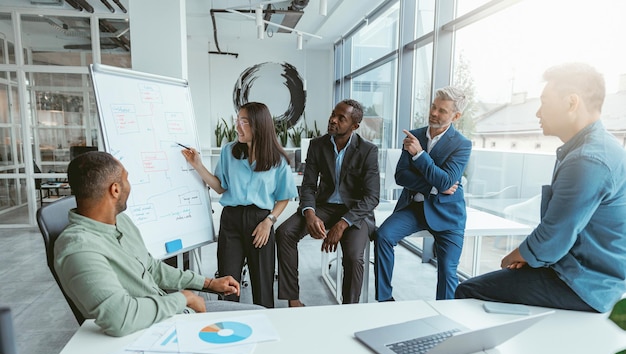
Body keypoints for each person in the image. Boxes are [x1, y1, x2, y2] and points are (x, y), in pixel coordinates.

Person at [455, 63, 626, 313]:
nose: (538, 112)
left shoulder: (588, 159)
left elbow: (553, 237)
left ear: (571, 103)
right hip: (585, 274)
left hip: (584, 284)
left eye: (544, 102)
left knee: (468, 291)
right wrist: (531, 256)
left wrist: (514, 256)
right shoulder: (597, 148)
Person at [55, 151, 260, 338]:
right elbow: (120, 317)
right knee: (259, 329)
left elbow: (151, 268)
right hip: (152, 332)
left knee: (262, 318)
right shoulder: (79, 249)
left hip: (172, 314)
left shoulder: (120, 221)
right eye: (126, 178)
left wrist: (207, 283)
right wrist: (182, 299)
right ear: (115, 189)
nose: (129, 185)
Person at [182, 102, 298, 308]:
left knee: (262, 284)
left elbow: (284, 197)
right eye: (237, 121)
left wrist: (269, 221)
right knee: (227, 284)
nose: (237, 126)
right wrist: (198, 166)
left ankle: (265, 327)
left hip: (260, 222)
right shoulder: (229, 151)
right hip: (231, 221)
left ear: (258, 125)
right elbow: (220, 187)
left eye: (243, 122)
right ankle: (227, 327)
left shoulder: (278, 160)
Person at [276, 99, 380, 306]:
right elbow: (308, 185)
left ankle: (349, 308)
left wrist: (343, 223)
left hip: (354, 211)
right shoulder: (317, 145)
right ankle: (293, 299)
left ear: (354, 126)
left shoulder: (368, 150)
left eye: (341, 118)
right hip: (324, 206)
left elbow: (371, 197)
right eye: (334, 114)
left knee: (353, 258)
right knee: (284, 233)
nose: (333, 120)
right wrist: (310, 213)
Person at [374, 86, 471, 301]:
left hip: (448, 214)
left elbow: (447, 179)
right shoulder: (414, 134)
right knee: (383, 236)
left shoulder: (462, 145)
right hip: (415, 209)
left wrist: (419, 154)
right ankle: (384, 300)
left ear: (456, 116)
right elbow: (401, 176)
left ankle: (445, 314)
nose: (434, 113)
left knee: (447, 270)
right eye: (433, 107)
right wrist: (435, 187)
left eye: (442, 111)